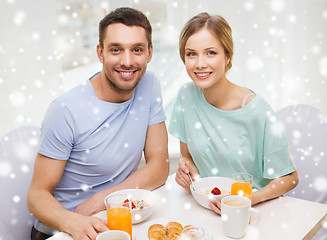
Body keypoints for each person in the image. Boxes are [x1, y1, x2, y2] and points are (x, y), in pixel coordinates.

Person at [27, 7, 169, 240]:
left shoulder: (149, 84)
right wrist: (73, 221)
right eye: (116, 50)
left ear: (150, 53)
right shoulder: (65, 110)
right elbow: (36, 196)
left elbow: (160, 167)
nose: (127, 61)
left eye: (137, 50)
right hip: (62, 230)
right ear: (100, 53)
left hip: (114, 219)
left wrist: (103, 199)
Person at [169, 12, 299, 214]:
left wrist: (249, 199)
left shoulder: (257, 111)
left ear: (227, 55)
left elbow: (290, 178)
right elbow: (187, 158)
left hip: (252, 212)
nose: (200, 63)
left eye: (211, 52)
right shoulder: (185, 96)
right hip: (205, 208)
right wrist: (189, 176)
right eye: (191, 53)